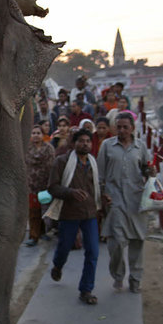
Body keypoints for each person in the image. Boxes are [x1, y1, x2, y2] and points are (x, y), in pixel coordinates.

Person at [97, 112, 156, 294]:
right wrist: (101, 195)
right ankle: (118, 274)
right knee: (116, 243)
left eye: (125, 127)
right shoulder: (107, 146)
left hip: (137, 201)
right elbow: (99, 175)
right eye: (119, 127)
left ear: (132, 129)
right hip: (114, 201)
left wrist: (151, 171)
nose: (121, 130)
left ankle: (135, 280)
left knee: (137, 242)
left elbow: (147, 171)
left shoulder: (140, 147)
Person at [47, 129, 103, 305]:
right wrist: (70, 192)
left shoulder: (93, 162)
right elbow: (52, 187)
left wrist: (104, 196)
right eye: (81, 141)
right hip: (69, 214)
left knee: (93, 251)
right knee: (64, 247)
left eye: (88, 141)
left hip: (90, 214)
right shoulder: (61, 162)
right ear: (74, 143)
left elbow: (98, 186)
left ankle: (86, 290)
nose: (85, 144)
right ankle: (58, 265)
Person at [25, 125, 56, 246]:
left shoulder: (49, 149)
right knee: (33, 212)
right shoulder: (27, 148)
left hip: (45, 185)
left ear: (43, 135)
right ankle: (33, 236)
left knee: (44, 211)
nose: (36, 135)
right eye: (33, 133)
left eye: (38, 133)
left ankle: (43, 232)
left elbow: (52, 166)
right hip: (31, 185)